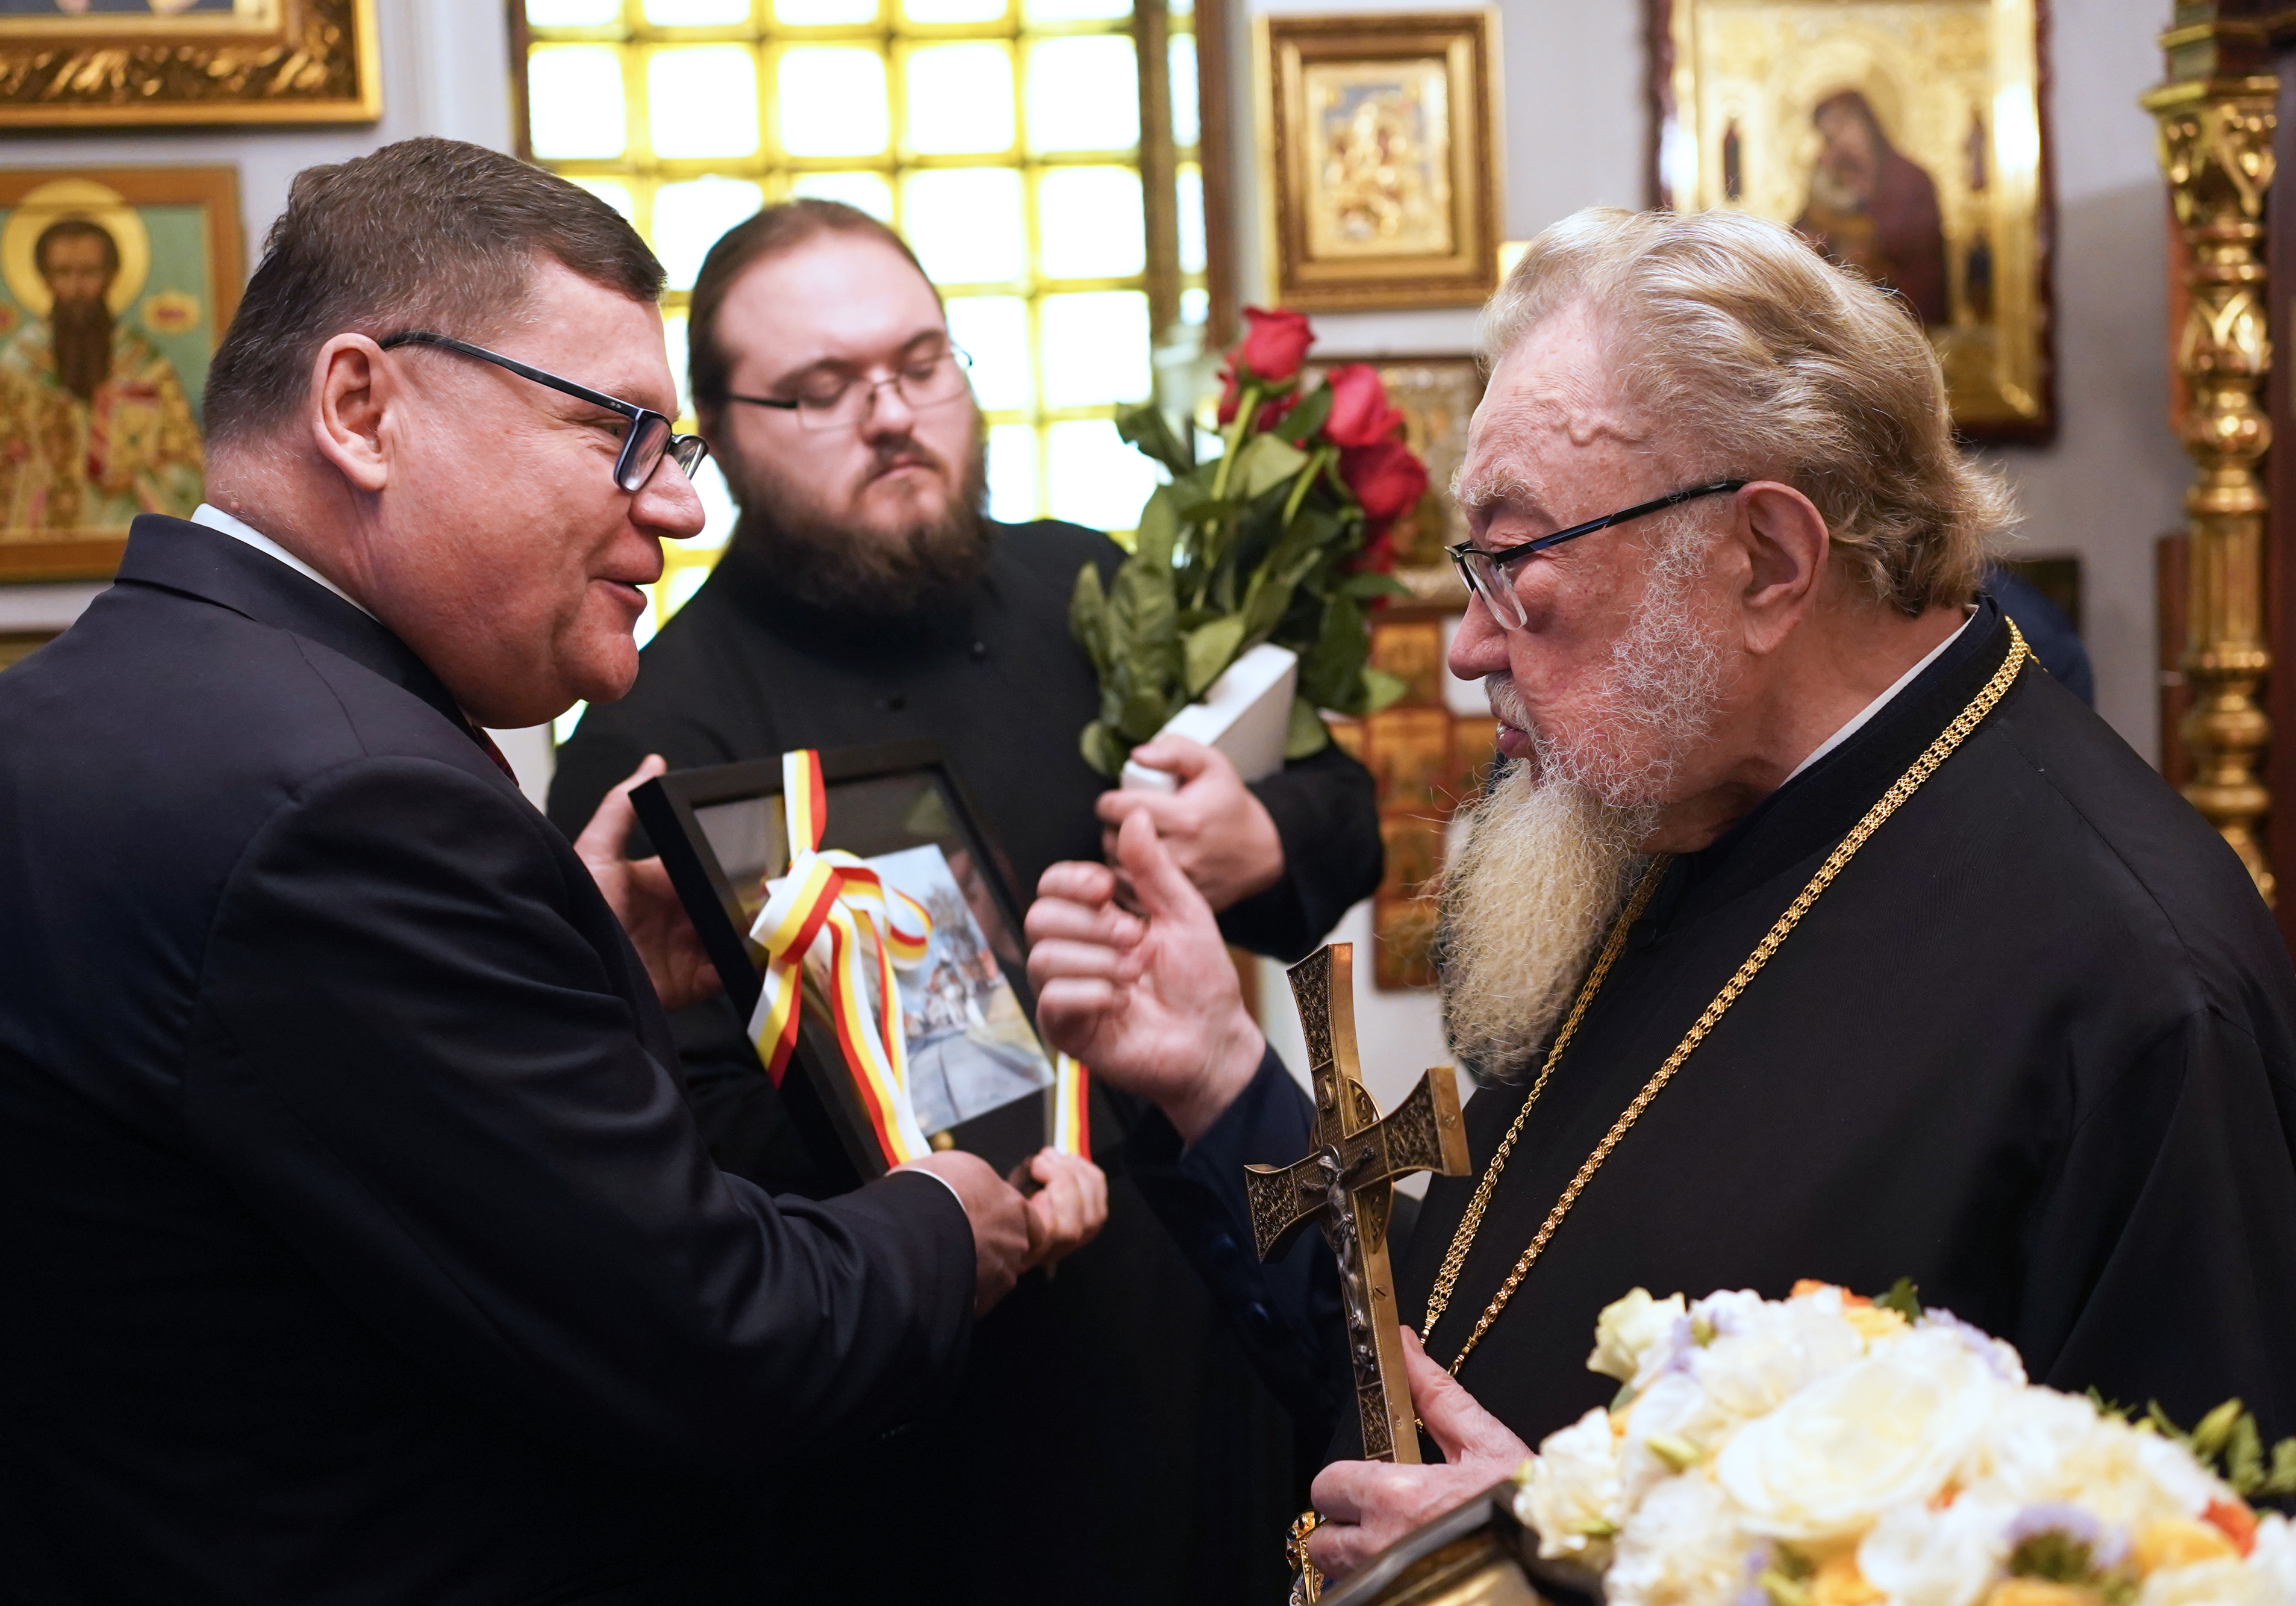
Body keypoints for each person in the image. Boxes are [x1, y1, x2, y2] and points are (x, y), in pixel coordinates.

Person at [0, 137, 1106, 1604]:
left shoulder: (29, 721)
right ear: (361, 407)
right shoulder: (357, 801)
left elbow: (302, 1150)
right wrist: (942, 1217)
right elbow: (717, 1339)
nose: (679, 509)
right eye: (623, 433)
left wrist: (568, 946)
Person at [1028, 207, 2296, 1584]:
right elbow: (1463, 1320)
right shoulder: (1664, 807)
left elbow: (2178, 1566)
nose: (1464, 649)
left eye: (1516, 565)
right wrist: (1214, 1075)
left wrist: (1565, 1558)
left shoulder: (2140, 988)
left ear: (1763, 561)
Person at [545, 200, 1386, 1604]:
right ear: (724, 430)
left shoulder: (1081, 582)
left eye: (921, 363)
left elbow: (1342, 818)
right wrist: (915, 1151)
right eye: (819, 390)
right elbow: (665, 1155)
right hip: (920, 1410)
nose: (889, 414)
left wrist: (1251, 839)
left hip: (1193, 1322)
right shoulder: (663, 725)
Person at [0, 216, 204, 535]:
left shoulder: (145, 363)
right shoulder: (18, 365)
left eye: (89, 272)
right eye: (63, 273)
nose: (77, 287)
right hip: (46, 538)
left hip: (127, 533)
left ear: (110, 275)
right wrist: (32, 467)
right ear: (45, 278)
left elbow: (189, 466)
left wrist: (137, 477)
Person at [1792, 90, 1950, 326]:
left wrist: (1833, 222)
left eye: (1844, 128)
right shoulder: (1830, 181)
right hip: (1844, 317)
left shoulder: (1910, 179)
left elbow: (1897, 240)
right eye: (1829, 137)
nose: (1840, 144)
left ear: (1867, 125)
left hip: (1904, 315)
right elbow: (1799, 240)